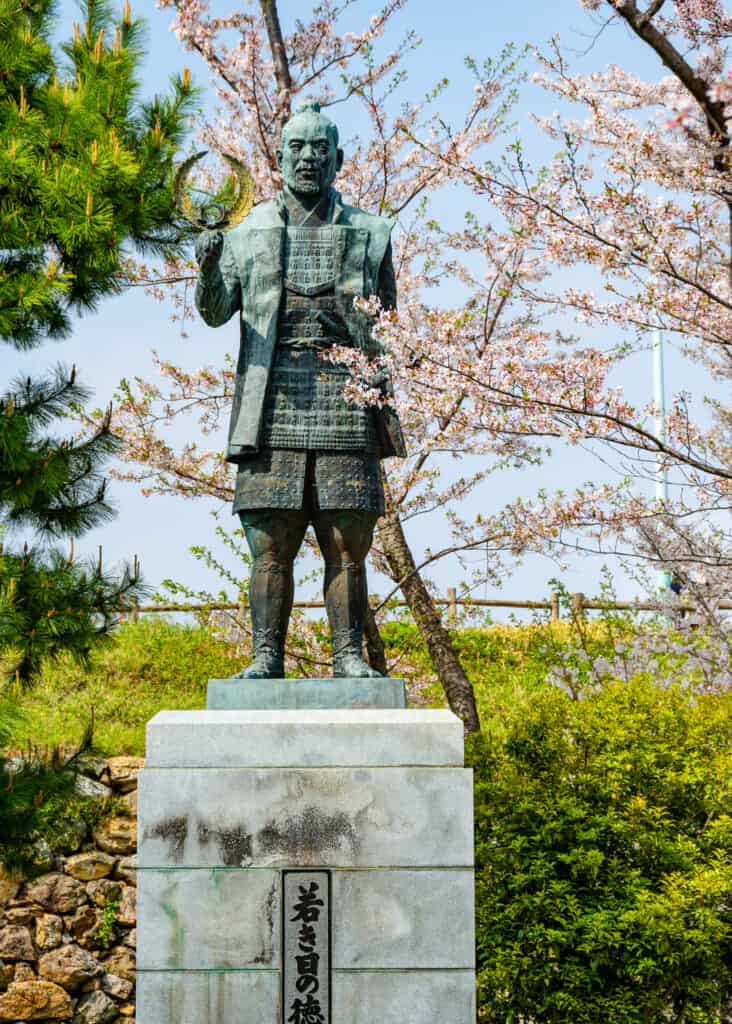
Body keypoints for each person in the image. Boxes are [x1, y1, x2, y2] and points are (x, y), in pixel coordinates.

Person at [194, 101, 405, 679]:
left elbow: (386, 316)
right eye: (298, 148)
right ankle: (265, 657)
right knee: (270, 545)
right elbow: (215, 312)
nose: (308, 159)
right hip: (271, 405)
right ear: (279, 157)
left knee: (347, 544)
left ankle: (349, 658)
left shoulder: (371, 233)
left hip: (346, 400)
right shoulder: (247, 234)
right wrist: (209, 267)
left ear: (339, 158)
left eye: (320, 149)